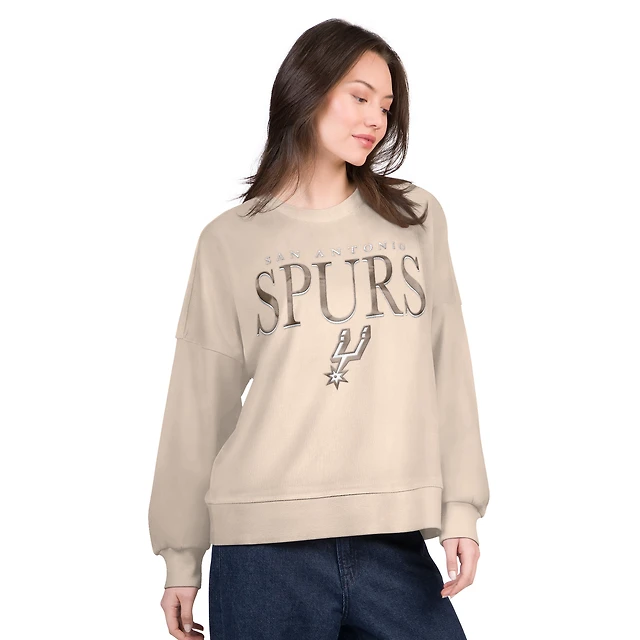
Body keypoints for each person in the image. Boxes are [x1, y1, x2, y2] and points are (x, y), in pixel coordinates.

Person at [148, 18, 490, 640]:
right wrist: (181, 558)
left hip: (392, 539)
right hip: (262, 549)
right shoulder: (230, 241)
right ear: (307, 90)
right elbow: (198, 405)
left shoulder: (415, 217)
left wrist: (460, 509)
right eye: (360, 97)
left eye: (386, 105)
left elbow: (449, 365)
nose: (376, 119)